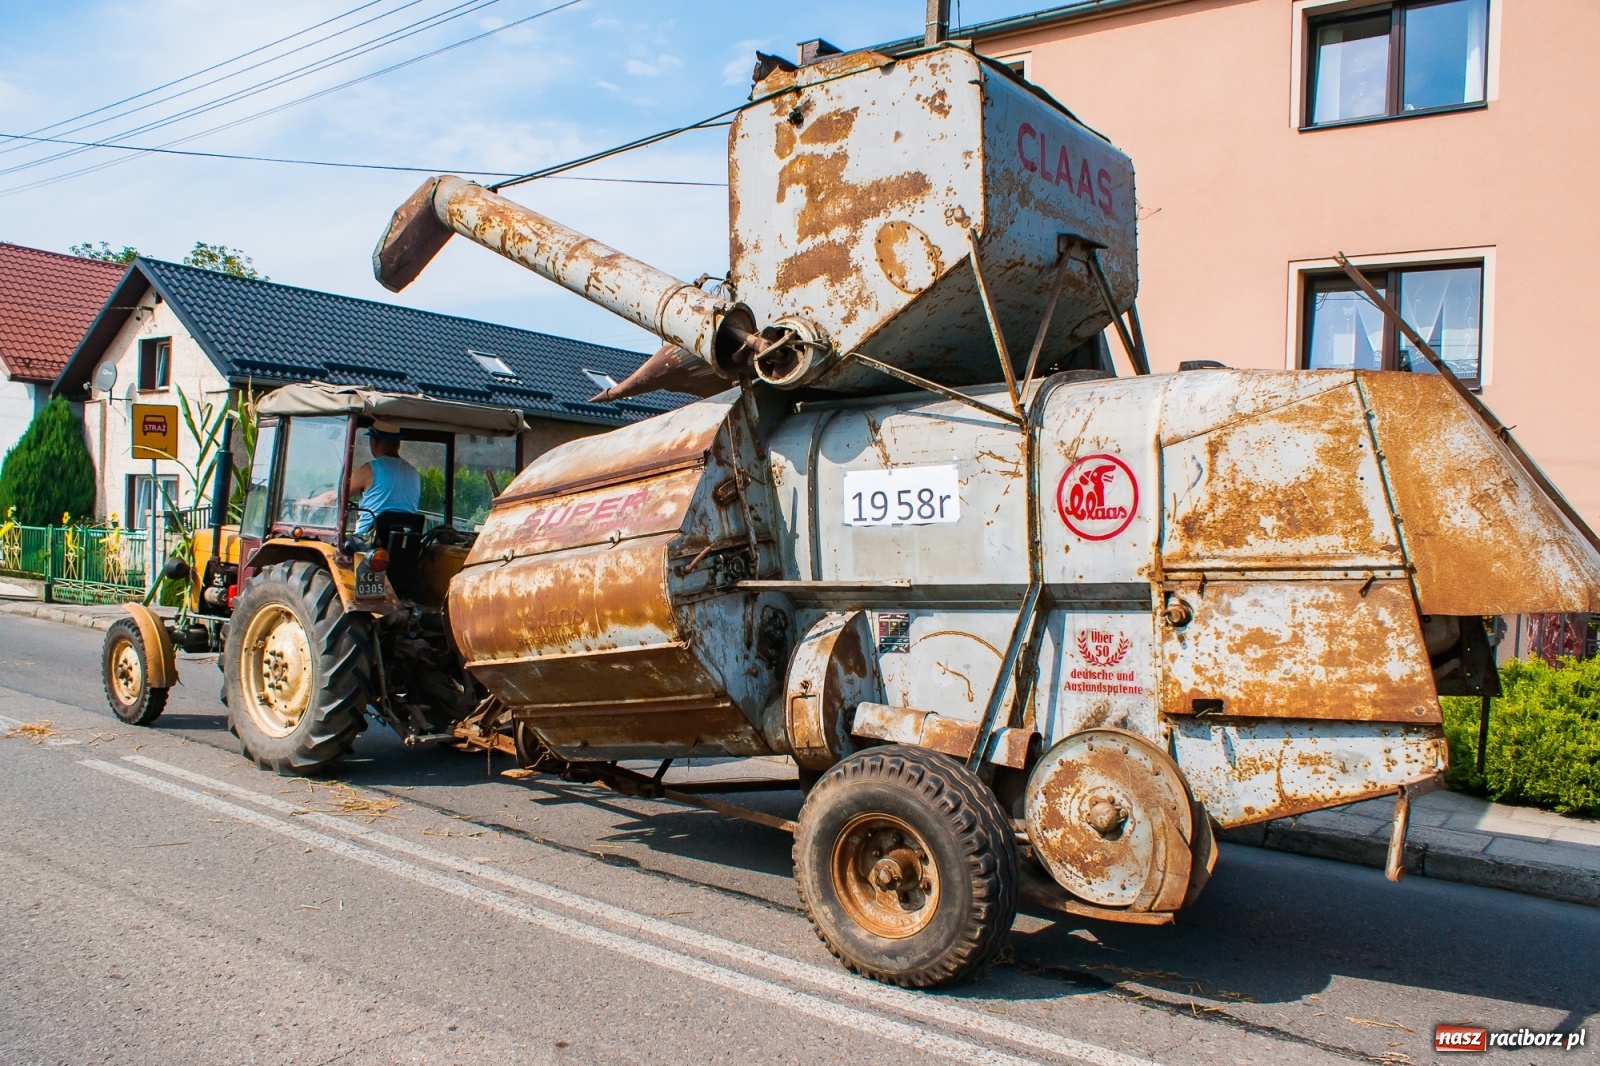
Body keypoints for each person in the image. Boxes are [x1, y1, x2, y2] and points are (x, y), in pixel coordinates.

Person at [349, 426, 421, 538]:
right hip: (404, 544)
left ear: (374, 441)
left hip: (368, 542)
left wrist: (313, 502)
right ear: (398, 443)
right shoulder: (414, 473)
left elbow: (339, 496)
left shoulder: (370, 469)